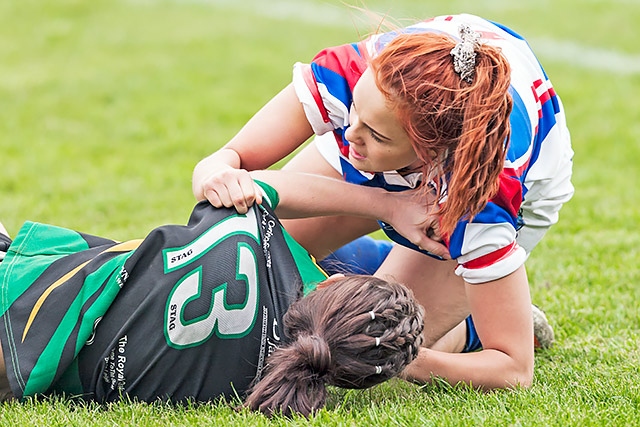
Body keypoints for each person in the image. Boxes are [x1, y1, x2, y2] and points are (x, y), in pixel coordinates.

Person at [192, 13, 574, 389]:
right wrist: (386, 204)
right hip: (402, 130)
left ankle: (468, 324)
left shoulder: (480, 202)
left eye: (375, 134)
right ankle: (364, 266)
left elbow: (513, 369)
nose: (349, 134)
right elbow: (224, 164)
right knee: (245, 251)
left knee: (354, 345)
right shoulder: (355, 78)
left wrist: (399, 356)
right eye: (354, 111)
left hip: (483, 189)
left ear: (430, 152)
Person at [0, 179, 424, 417]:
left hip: (28, 295)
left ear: (331, 284)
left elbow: (245, 184)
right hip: (23, 367)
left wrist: (384, 204)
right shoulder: (257, 387)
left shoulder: (255, 231)